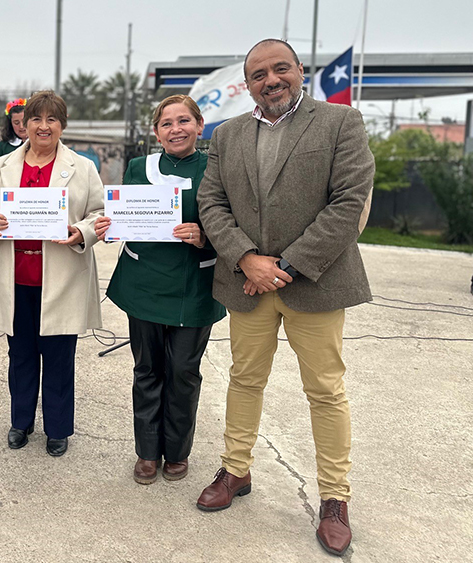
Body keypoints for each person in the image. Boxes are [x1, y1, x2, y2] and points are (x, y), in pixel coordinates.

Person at [196, 39, 375, 556]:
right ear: (247, 84)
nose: (270, 80)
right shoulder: (228, 134)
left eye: (280, 69)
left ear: (300, 71)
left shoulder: (341, 123)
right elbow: (212, 201)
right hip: (246, 283)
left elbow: (348, 202)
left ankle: (335, 498)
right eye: (258, 74)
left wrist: (285, 267)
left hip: (314, 284)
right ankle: (236, 469)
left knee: (325, 390)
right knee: (244, 379)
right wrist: (247, 258)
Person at [0, 91, 109, 457]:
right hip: (16, 277)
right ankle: (21, 421)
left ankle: (58, 428)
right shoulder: (2, 165)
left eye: (52, 119)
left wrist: (82, 231)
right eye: (36, 119)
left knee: (59, 358)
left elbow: (99, 213)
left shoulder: (82, 167)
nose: (43, 126)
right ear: (24, 125)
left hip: (62, 277)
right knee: (19, 356)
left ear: (62, 125)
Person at [105, 95, 226, 484]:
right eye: (167, 123)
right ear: (156, 131)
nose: (176, 129)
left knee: (184, 372)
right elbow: (127, 216)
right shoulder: (140, 167)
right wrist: (113, 226)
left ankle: (176, 451)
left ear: (199, 125)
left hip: (196, 286)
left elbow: (236, 224)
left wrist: (205, 235)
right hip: (144, 284)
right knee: (147, 370)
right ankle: (146, 452)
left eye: (183, 121)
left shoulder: (217, 169)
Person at [0, 98, 28, 162]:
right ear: (10, 124)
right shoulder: (3, 147)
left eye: (24, 121)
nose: (21, 126)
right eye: (16, 123)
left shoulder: (39, 143)